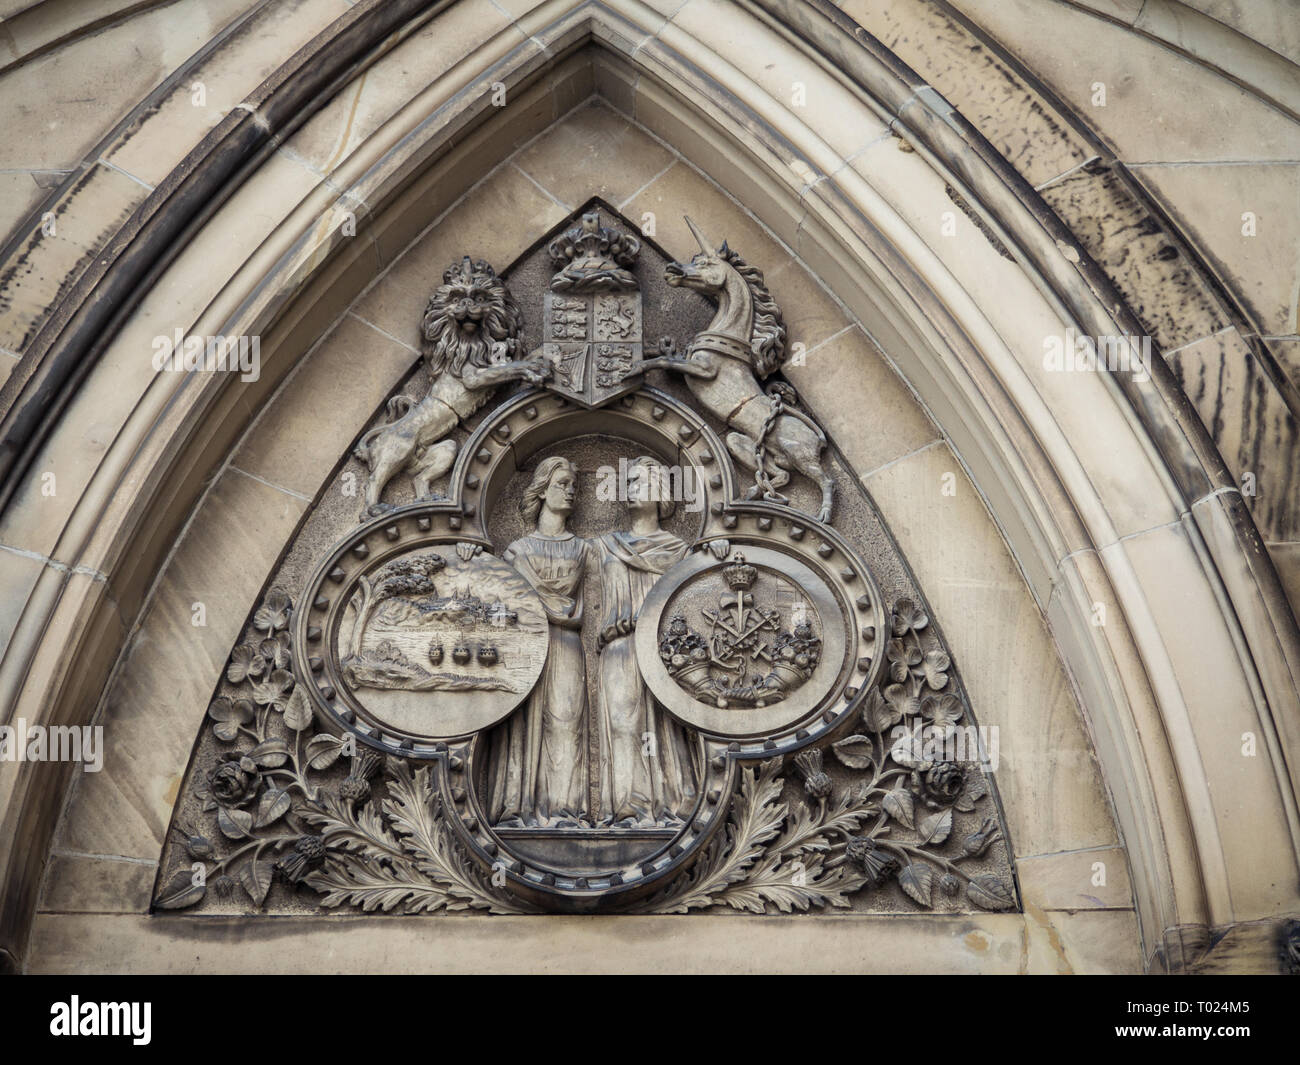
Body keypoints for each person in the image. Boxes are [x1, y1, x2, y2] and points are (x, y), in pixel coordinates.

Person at [593, 456, 698, 825]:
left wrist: (720, 550)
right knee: (623, 724)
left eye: (641, 481)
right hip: (619, 646)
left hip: (664, 652)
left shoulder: (680, 552)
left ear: (661, 491)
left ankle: (673, 806)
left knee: (667, 728)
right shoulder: (605, 546)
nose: (632, 488)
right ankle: (627, 808)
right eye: (629, 481)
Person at [489, 456, 592, 826]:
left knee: (566, 721)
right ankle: (516, 808)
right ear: (543, 489)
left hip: (567, 644)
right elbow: (496, 596)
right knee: (519, 724)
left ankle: (564, 810)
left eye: (574, 486)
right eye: (562, 484)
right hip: (527, 646)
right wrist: (468, 554)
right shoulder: (517, 551)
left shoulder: (584, 550)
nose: (570, 492)